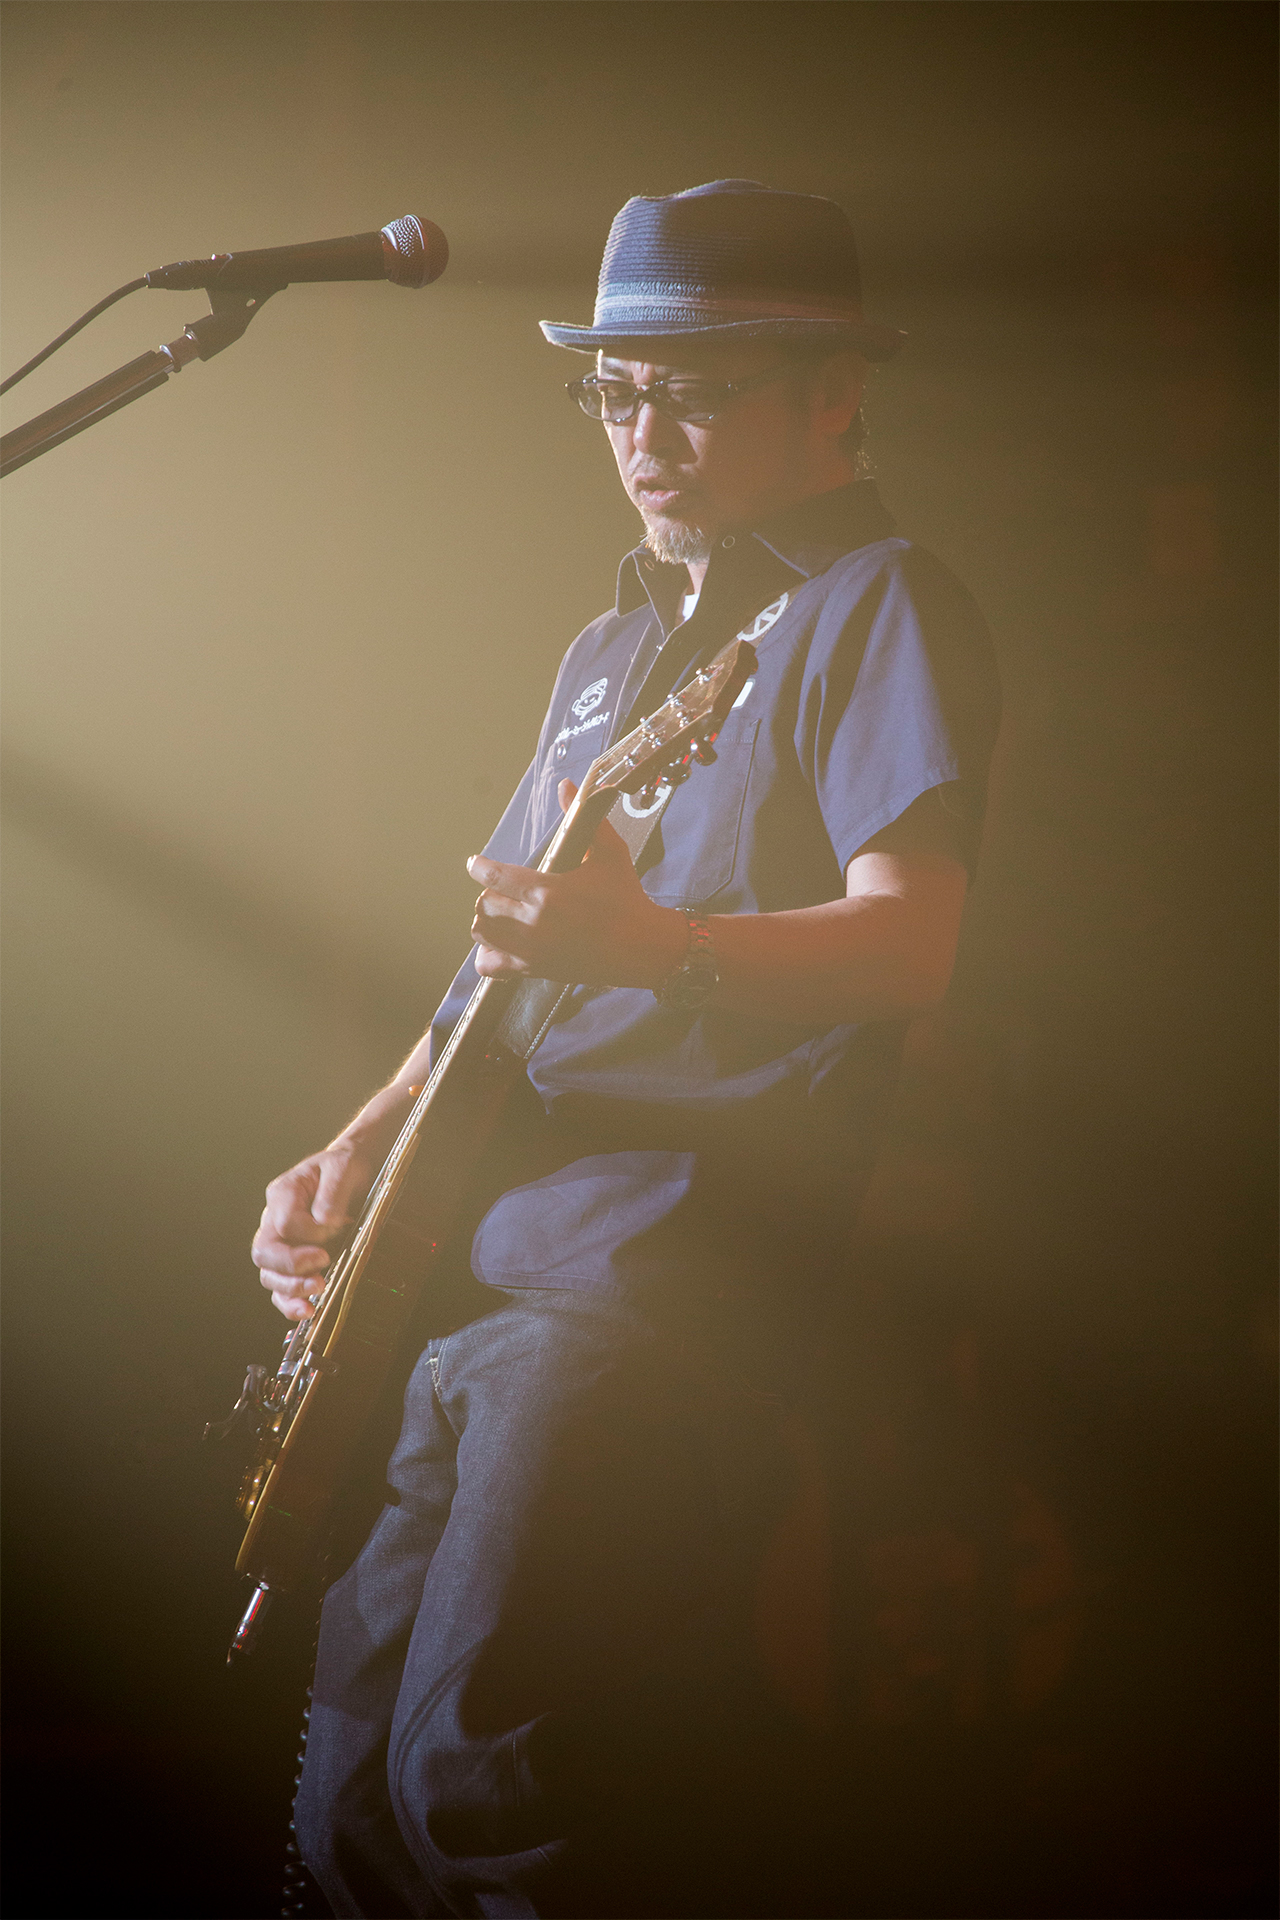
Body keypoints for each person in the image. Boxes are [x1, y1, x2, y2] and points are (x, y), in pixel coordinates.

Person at [254, 180, 1000, 1918]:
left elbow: (915, 943)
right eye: (614, 391)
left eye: (697, 392)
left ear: (834, 394)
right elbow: (497, 964)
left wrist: (652, 946)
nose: (644, 437)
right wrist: (355, 1147)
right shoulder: (609, 652)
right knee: (344, 1808)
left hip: (650, 1279)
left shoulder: (882, 602)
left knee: (482, 1777)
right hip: (462, 1263)